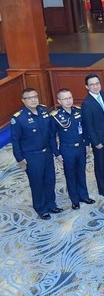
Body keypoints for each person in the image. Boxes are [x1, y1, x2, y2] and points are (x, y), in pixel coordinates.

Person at [10, 88, 61, 220]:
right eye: (29, 98)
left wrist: (55, 152)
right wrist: (19, 158)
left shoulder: (44, 111)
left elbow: (50, 134)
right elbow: (15, 140)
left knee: (50, 180)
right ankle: (41, 208)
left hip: (47, 152)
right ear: (23, 100)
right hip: (32, 156)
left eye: (35, 97)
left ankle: (51, 204)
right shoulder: (19, 118)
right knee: (37, 183)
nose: (33, 100)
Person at [51, 88, 95, 210]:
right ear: (59, 101)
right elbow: (51, 137)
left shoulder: (78, 111)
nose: (68, 101)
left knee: (81, 172)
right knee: (70, 175)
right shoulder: (56, 117)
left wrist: (87, 143)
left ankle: (84, 195)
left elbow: (85, 129)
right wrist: (57, 153)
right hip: (67, 149)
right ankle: (74, 200)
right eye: (65, 99)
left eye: (70, 98)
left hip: (80, 147)